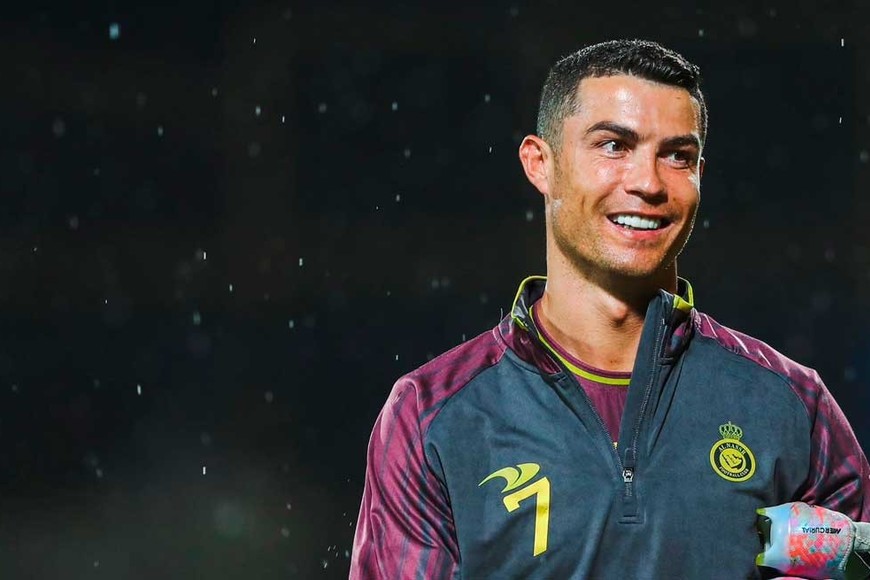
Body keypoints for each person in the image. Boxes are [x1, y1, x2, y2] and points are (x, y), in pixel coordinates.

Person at [349, 39, 870, 579]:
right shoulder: (431, 415)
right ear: (541, 163)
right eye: (614, 146)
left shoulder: (790, 403)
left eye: (677, 156)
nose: (648, 183)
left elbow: (860, 560)